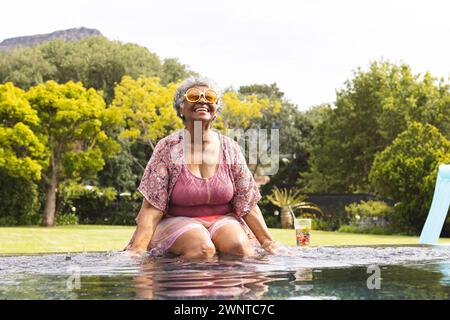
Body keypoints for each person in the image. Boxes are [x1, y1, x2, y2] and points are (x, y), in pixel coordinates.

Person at [125, 76, 282, 260]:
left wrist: (268, 243)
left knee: (239, 246)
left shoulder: (230, 148)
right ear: (181, 108)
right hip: (176, 223)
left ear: (216, 110)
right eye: (193, 96)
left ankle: (230, 289)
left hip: (223, 220)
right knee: (202, 247)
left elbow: (247, 203)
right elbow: (152, 208)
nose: (202, 100)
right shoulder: (167, 148)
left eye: (209, 97)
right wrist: (137, 250)